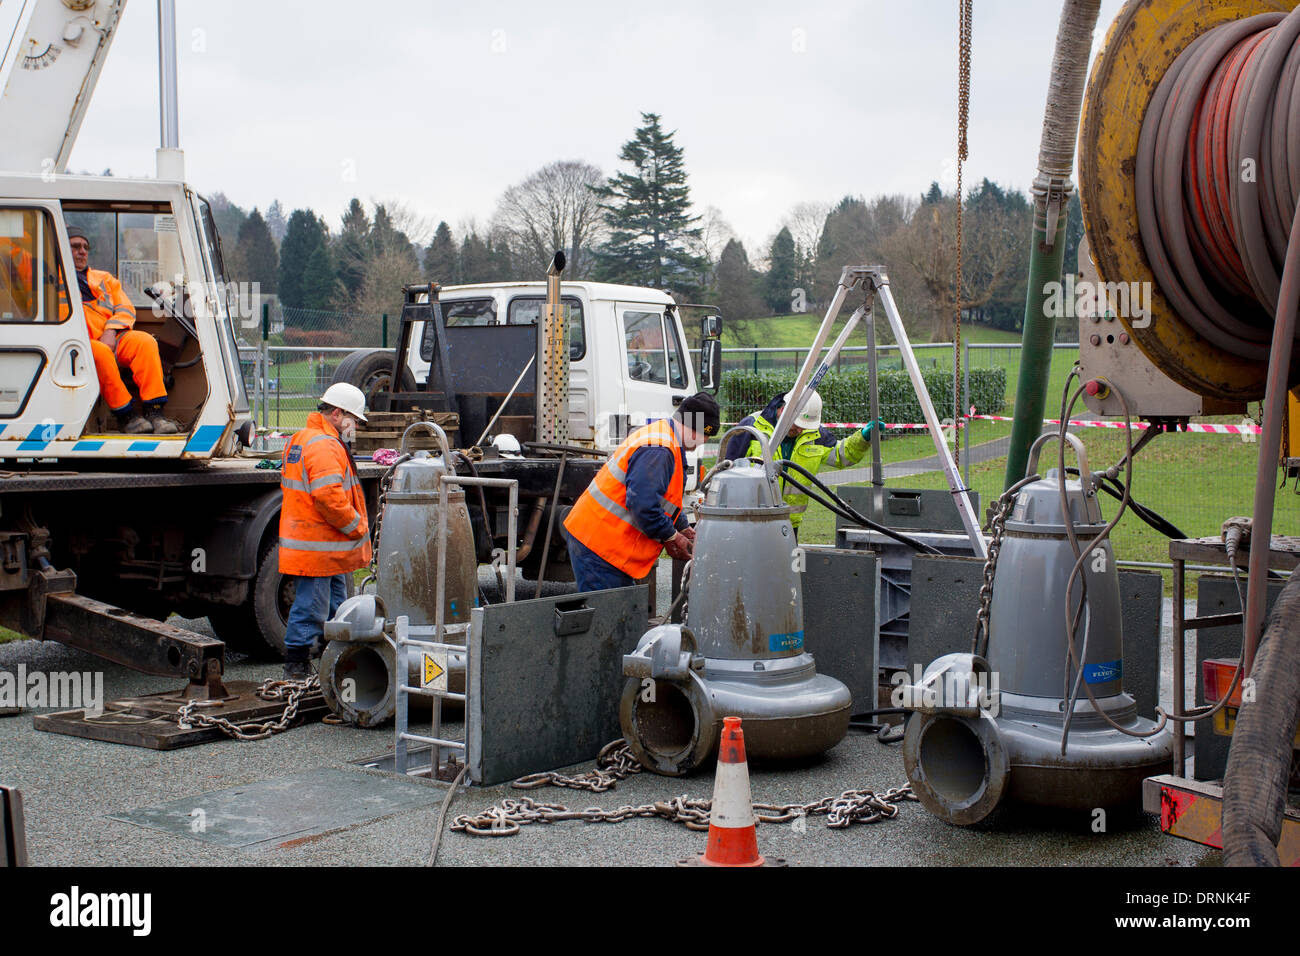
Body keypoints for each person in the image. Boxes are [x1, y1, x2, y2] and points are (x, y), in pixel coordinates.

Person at [563, 393, 720, 593]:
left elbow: (659, 499)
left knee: (613, 614)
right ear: (696, 429)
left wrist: (681, 525)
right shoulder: (660, 449)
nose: (704, 442)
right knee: (609, 618)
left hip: (601, 538)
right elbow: (644, 506)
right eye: (706, 435)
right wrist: (670, 536)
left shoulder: (665, 438)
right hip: (600, 545)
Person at [278, 382, 372, 679]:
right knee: (312, 608)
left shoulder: (303, 438)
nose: (355, 426)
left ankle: (333, 661)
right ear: (336, 413)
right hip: (317, 546)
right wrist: (356, 527)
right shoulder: (324, 445)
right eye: (353, 419)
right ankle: (297, 666)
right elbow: (328, 497)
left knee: (336, 606)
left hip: (319, 544)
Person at [66, 226, 180, 435]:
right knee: (99, 352)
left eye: (85, 247)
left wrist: (111, 330)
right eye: (75, 246)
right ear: (62, 248)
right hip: (74, 344)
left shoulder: (105, 279)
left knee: (145, 342)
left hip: (110, 337)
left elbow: (126, 308)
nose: (82, 251)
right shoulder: (48, 278)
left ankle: (154, 413)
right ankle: (125, 416)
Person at [721, 390, 883, 532]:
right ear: (784, 409)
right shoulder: (751, 427)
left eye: (804, 426)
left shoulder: (816, 434)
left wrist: (862, 438)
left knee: (786, 567)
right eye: (797, 424)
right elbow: (726, 473)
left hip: (790, 525)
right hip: (750, 522)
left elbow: (841, 455)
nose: (800, 430)